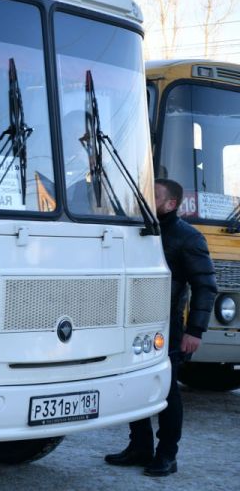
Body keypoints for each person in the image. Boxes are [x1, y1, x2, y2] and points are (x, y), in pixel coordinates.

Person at [104, 178, 218, 477]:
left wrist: (195, 331)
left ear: (171, 204)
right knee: (133, 387)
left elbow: (205, 287)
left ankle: (168, 455)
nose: (144, 197)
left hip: (168, 328)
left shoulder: (189, 237)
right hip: (130, 326)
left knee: (167, 393)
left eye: (153, 195)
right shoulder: (132, 229)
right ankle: (140, 447)